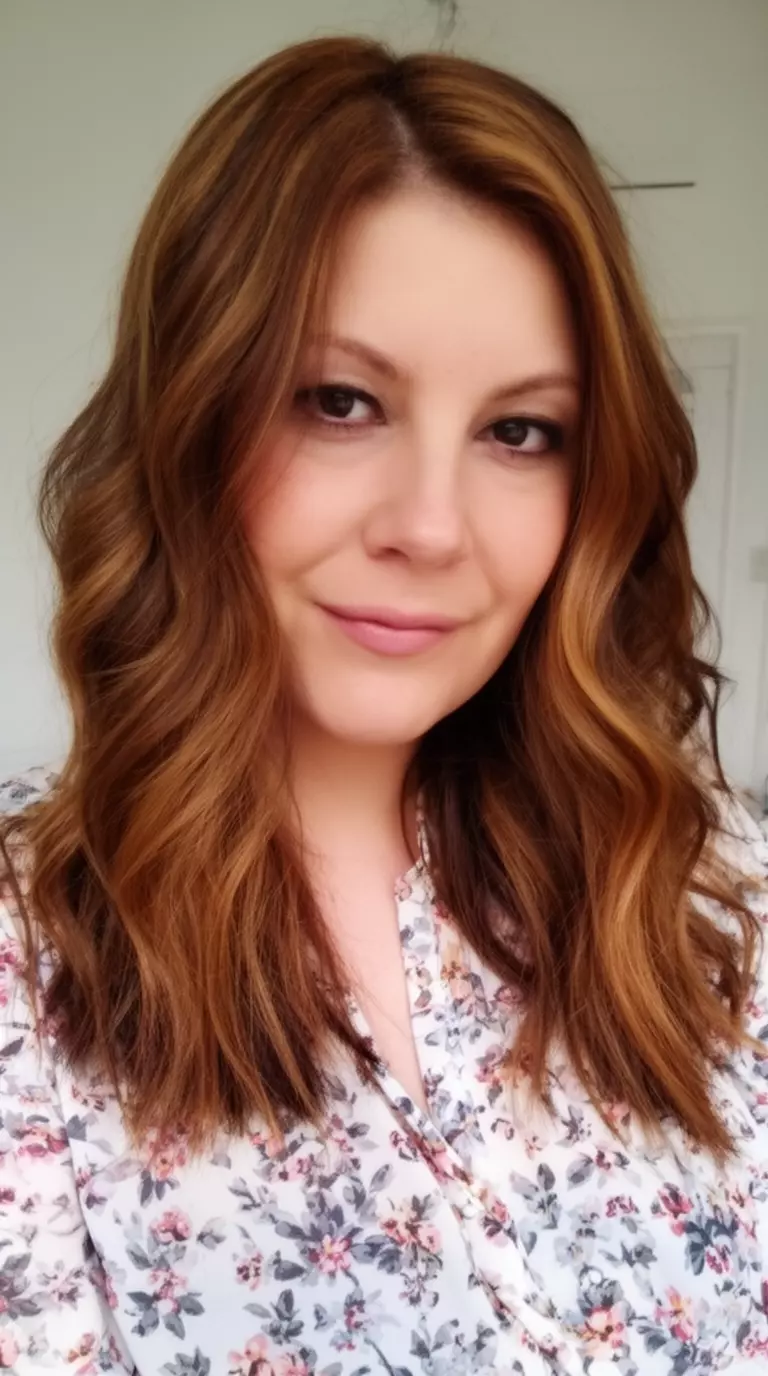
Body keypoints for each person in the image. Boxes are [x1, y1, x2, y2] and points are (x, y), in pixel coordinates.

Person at [1, 33, 767, 1376]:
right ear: (190, 421)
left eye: (521, 431)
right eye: (339, 402)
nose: (431, 527)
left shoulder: (718, 899)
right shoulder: (28, 958)